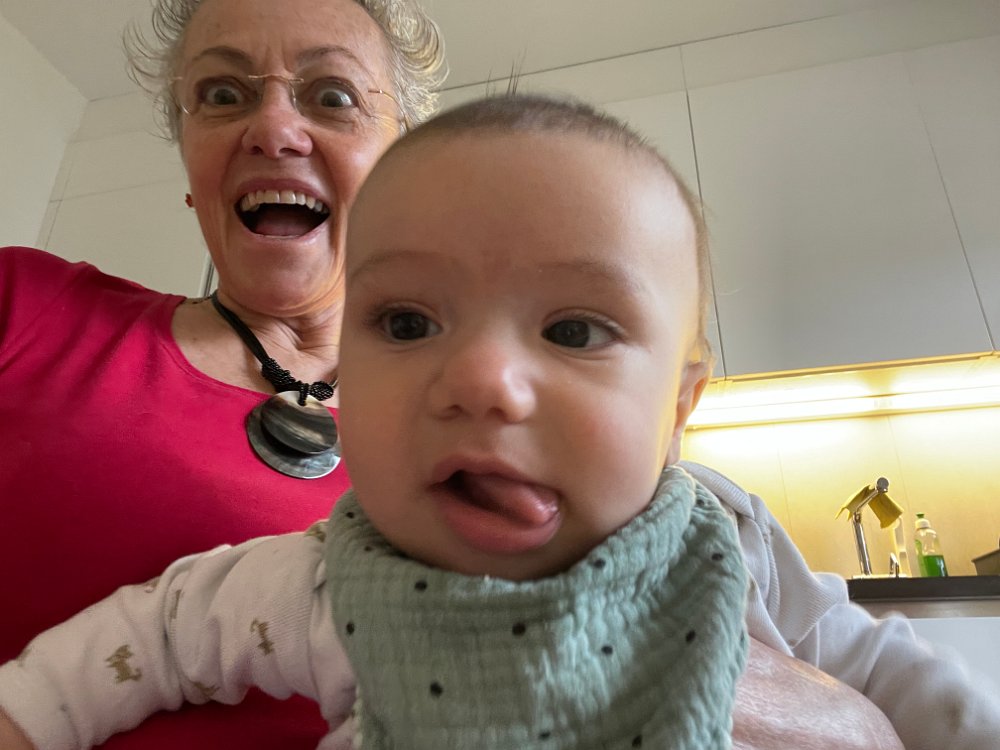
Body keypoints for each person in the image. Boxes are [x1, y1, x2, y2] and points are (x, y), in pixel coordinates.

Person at [0, 94, 757, 749]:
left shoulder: (734, 548)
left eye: (574, 332)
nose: (481, 381)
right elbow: (158, 635)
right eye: (406, 324)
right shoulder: (332, 586)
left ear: (679, 407)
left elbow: (841, 672)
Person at [0, 0, 444, 747]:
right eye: (223, 94)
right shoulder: (23, 306)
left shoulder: (478, 438)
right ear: (189, 168)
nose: (272, 129)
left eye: (333, 96)